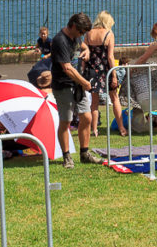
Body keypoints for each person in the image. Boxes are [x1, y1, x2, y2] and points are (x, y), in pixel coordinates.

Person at [51, 13, 101, 168]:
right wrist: (85, 82)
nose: (82, 35)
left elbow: (83, 46)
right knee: (65, 121)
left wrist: (87, 51)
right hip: (64, 86)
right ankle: (67, 157)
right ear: (72, 26)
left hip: (77, 85)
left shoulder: (76, 37)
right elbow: (67, 68)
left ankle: (84, 153)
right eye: (81, 32)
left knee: (86, 118)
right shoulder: (60, 41)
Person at [81, 11, 125, 137]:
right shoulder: (109, 33)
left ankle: (94, 130)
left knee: (94, 102)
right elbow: (110, 57)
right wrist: (115, 75)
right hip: (106, 69)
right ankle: (121, 128)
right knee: (114, 98)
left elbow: (84, 54)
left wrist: (83, 72)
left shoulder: (88, 33)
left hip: (92, 70)